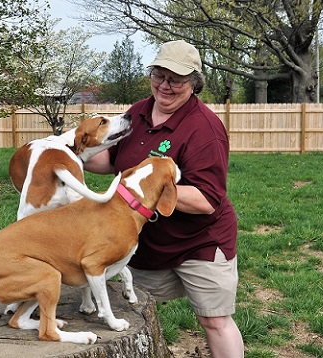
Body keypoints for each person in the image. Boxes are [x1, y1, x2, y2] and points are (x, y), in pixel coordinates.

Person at [84, 40, 245, 357]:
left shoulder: (204, 128)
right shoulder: (138, 112)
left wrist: (142, 192)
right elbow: (113, 160)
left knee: (214, 320)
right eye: (159, 74)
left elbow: (206, 199)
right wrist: (72, 155)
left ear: (194, 83)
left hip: (200, 241)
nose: (166, 85)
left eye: (176, 79)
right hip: (145, 242)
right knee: (124, 309)